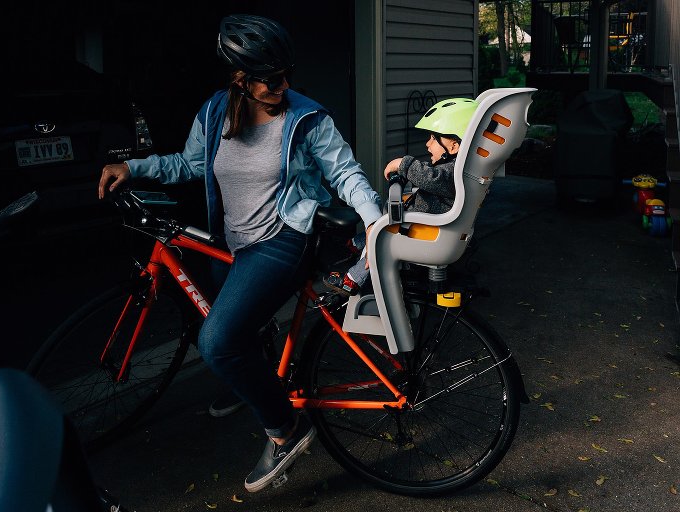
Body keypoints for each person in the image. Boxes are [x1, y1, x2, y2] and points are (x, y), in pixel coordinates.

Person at [97, 14, 382, 492]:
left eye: (287, 74)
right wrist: (132, 165)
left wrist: (373, 220)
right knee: (239, 334)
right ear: (240, 79)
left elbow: (346, 172)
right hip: (231, 241)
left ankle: (284, 429)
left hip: (283, 240)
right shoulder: (214, 113)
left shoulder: (306, 118)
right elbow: (188, 165)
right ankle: (256, 386)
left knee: (217, 341)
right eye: (272, 78)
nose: (283, 84)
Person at [323, 97, 479, 296]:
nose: (427, 144)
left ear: (454, 147)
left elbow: (431, 178)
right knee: (380, 228)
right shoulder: (461, 169)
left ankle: (352, 280)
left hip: (427, 234)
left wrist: (402, 164)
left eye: (434, 139)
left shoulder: (454, 173)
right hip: (427, 228)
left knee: (382, 240)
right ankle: (355, 245)